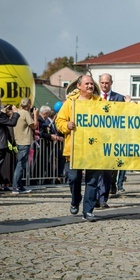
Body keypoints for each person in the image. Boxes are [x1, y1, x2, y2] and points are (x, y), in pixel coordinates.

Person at [55, 75, 103, 222]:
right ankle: (75, 199)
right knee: (74, 178)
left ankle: (88, 211)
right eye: (87, 84)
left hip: (94, 149)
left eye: (91, 84)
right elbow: (59, 121)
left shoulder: (100, 103)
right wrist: (67, 126)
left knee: (92, 181)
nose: (90, 86)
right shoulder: (70, 103)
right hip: (74, 149)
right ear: (79, 86)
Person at [96, 73, 126, 208]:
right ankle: (94, 197)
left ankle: (103, 198)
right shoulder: (94, 98)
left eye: (107, 83)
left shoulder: (118, 98)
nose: (104, 85)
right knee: (95, 171)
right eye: (102, 83)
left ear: (111, 83)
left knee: (107, 172)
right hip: (96, 140)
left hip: (112, 140)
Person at [11, 97, 38, 194]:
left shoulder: (16, 112)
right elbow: (34, 126)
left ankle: (19, 186)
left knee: (20, 164)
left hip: (17, 141)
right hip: (24, 141)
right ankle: (16, 186)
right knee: (20, 165)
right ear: (29, 105)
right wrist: (35, 115)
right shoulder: (25, 113)